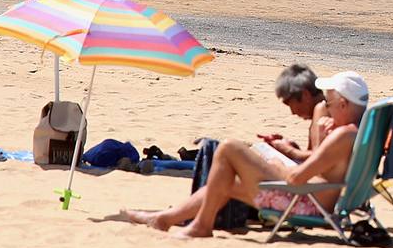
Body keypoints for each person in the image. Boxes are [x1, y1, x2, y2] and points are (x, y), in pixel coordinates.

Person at [124, 72, 370, 237]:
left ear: (344, 105)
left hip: (304, 202)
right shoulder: (351, 133)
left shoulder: (343, 136)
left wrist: (276, 162)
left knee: (229, 147)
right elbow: (327, 168)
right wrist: (321, 139)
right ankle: (164, 219)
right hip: (312, 198)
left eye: (328, 103)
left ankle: (202, 225)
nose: (325, 108)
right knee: (225, 182)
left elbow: (296, 179)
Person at [256, 63, 331, 162]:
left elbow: (321, 157)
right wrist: (290, 146)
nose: (292, 112)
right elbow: (313, 155)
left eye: (289, 103)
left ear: (305, 95)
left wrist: (289, 150)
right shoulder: (321, 110)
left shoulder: (321, 108)